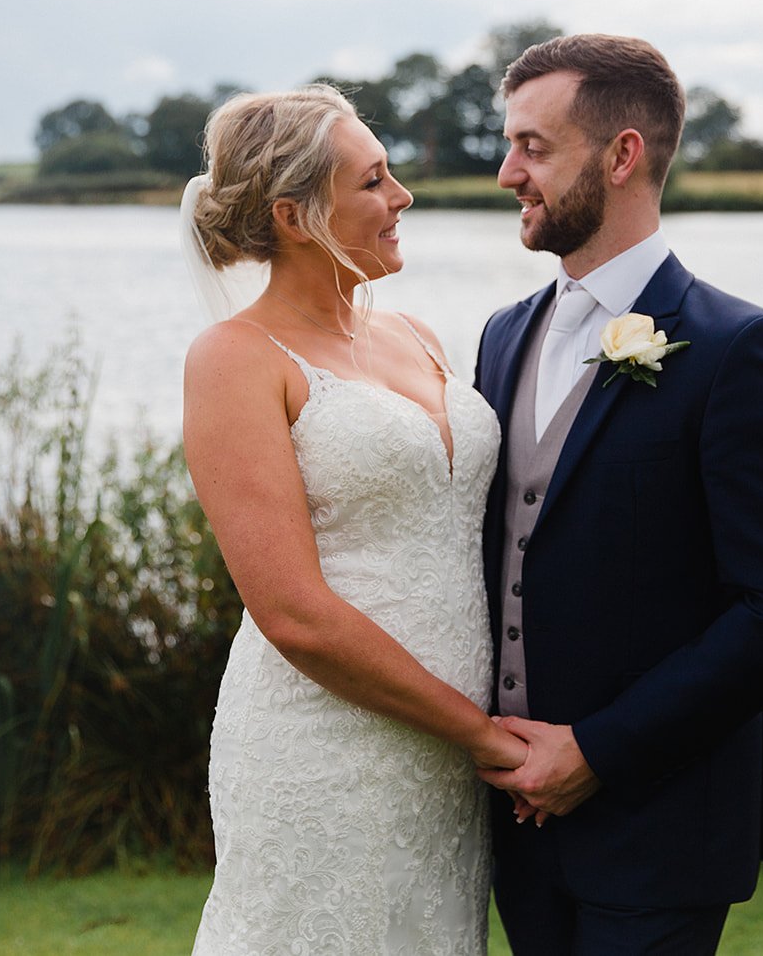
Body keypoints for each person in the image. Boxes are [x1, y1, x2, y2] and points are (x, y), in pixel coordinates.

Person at [473, 34, 763, 954]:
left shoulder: (737, 350)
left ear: (623, 153)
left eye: (534, 146)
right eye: (510, 144)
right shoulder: (500, 337)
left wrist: (595, 752)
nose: (508, 171)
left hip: (658, 829)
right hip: (515, 830)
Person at [180, 84, 526, 954]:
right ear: (297, 216)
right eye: (374, 181)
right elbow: (292, 611)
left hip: (444, 758)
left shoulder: (416, 334)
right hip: (326, 744)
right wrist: (481, 731)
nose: (402, 197)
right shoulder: (236, 360)